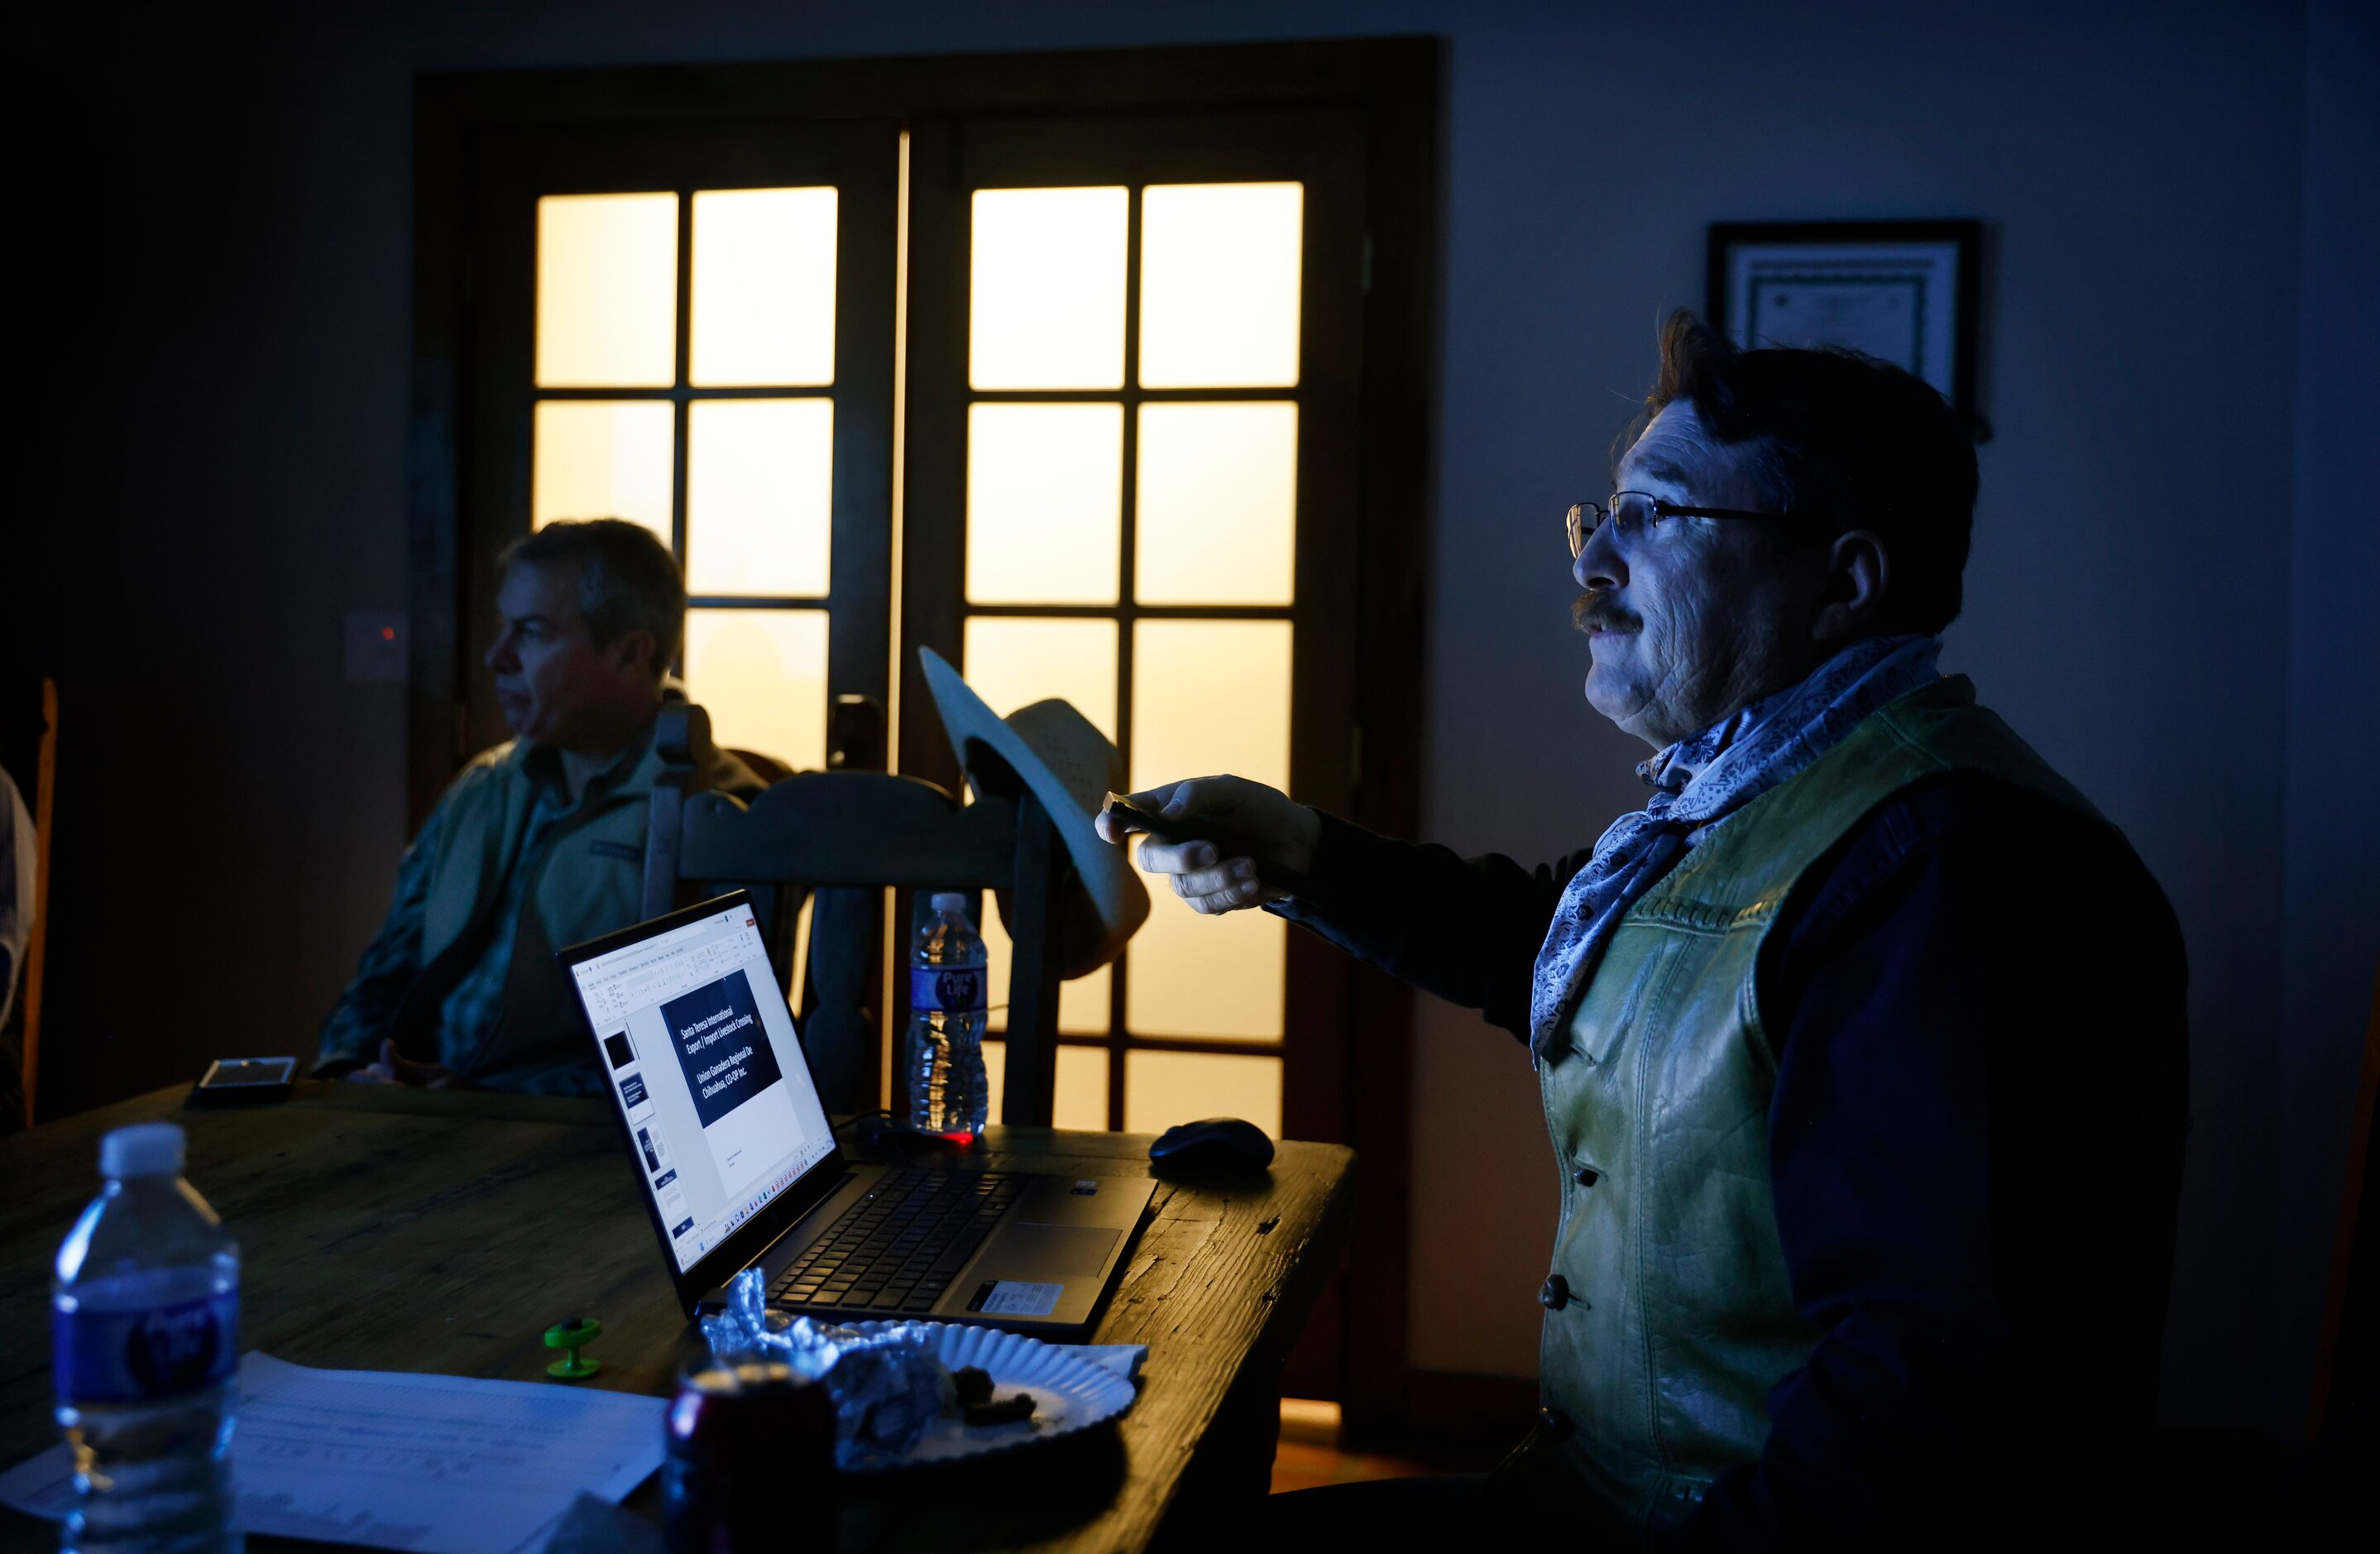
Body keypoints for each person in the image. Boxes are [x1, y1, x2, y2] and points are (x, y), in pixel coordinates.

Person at [1104, 314, 2188, 1547]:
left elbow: (1922, 1400)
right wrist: (1301, 849)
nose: (1592, 565)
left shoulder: (1952, 873)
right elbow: (1570, 944)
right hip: (1584, 1500)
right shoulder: (1758, 796)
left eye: (1654, 517)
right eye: (1598, 517)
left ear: (1841, 582)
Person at [315, 520, 769, 1095]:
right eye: (503, 627)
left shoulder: (723, 816)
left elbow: (712, 1062)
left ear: (629, 654)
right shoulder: (482, 785)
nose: (495, 657)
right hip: (411, 1116)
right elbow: (385, 973)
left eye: (530, 633)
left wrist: (480, 1106)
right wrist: (340, 1079)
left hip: (568, 1150)